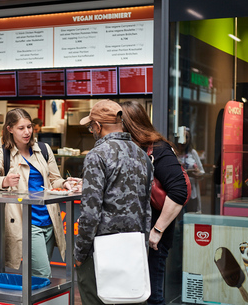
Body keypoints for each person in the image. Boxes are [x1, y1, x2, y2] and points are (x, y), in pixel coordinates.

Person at [0, 108, 80, 278]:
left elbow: (54, 180)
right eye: (21, 128)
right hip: (26, 221)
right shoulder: (1, 151)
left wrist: (67, 183)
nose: (27, 132)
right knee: (43, 273)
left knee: (37, 277)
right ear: (9, 129)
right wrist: (4, 181)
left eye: (29, 127)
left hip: (49, 219)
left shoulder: (43, 149)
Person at [74, 100, 152, 305]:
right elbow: (147, 209)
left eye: (91, 126)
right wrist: (142, 248)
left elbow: (90, 213)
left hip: (100, 250)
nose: (92, 130)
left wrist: (80, 252)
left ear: (98, 126)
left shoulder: (96, 156)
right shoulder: (142, 156)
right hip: (133, 249)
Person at [120, 101, 188, 305]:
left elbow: (179, 191)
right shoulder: (132, 148)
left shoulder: (158, 149)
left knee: (153, 297)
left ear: (128, 125)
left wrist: (157, 231)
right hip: (136, 236)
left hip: (153, 238)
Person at [176, 127, 205, 213]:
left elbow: (202, 172)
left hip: (192, 193)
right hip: (177, 191)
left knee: (191, 217)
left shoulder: (193, 153)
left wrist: (196, 174)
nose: (184, 140)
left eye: (186, 137)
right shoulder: (174, 153)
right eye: (182, 136)